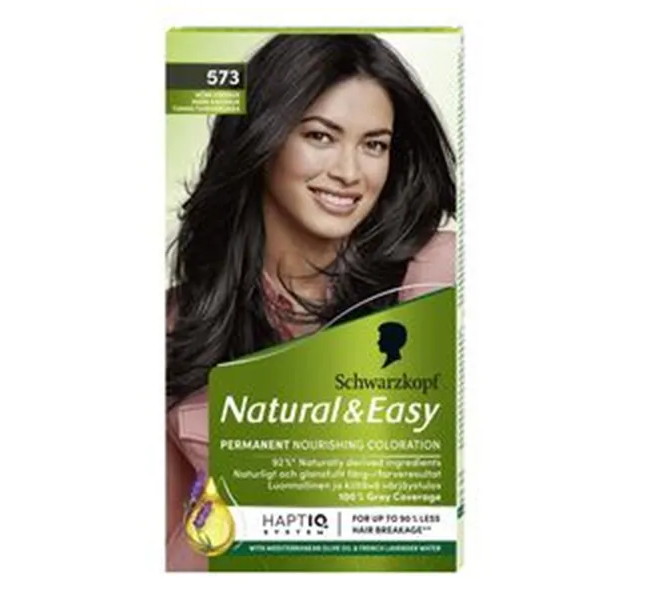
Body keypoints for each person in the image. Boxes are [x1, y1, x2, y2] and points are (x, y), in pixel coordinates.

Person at [165, 33, 457, 570]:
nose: (350, 172)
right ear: (264, 137)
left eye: (374, 145)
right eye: (321, 136)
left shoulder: (436, 279)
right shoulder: (179, 326)